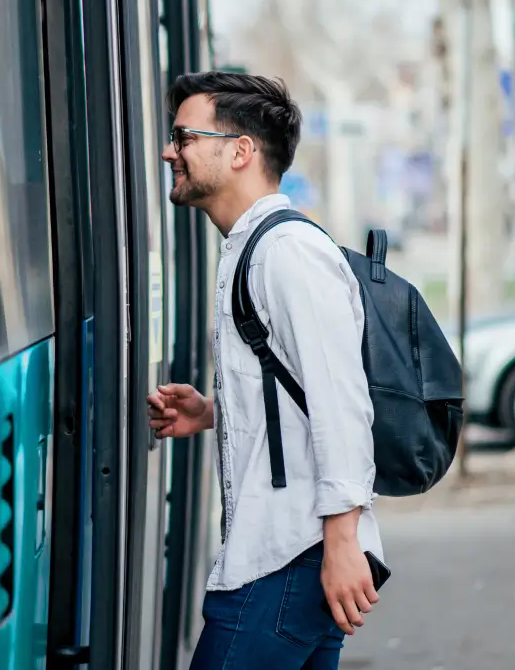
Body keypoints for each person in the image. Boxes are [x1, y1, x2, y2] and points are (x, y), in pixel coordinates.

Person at [148, 71, 382, 670]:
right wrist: (211, 413)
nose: (171, 151)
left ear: (241, 152)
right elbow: (295, 389)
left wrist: (342, 542)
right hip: (291, 555)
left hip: (289, 557)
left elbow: (342, 401)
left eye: (185, 136)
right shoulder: (254, 247)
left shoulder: (287, 253)